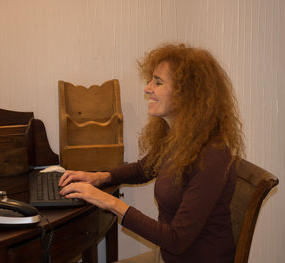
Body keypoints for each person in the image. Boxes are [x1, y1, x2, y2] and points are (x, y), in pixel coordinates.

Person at [59, 43, 244, 263]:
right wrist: (100, 177)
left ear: (187, 94)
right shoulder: (181, 138)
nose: (147, 88)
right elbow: (144, 168)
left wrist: (108, 201)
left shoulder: (211, 156)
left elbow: (176, 239)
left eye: (158, 82)